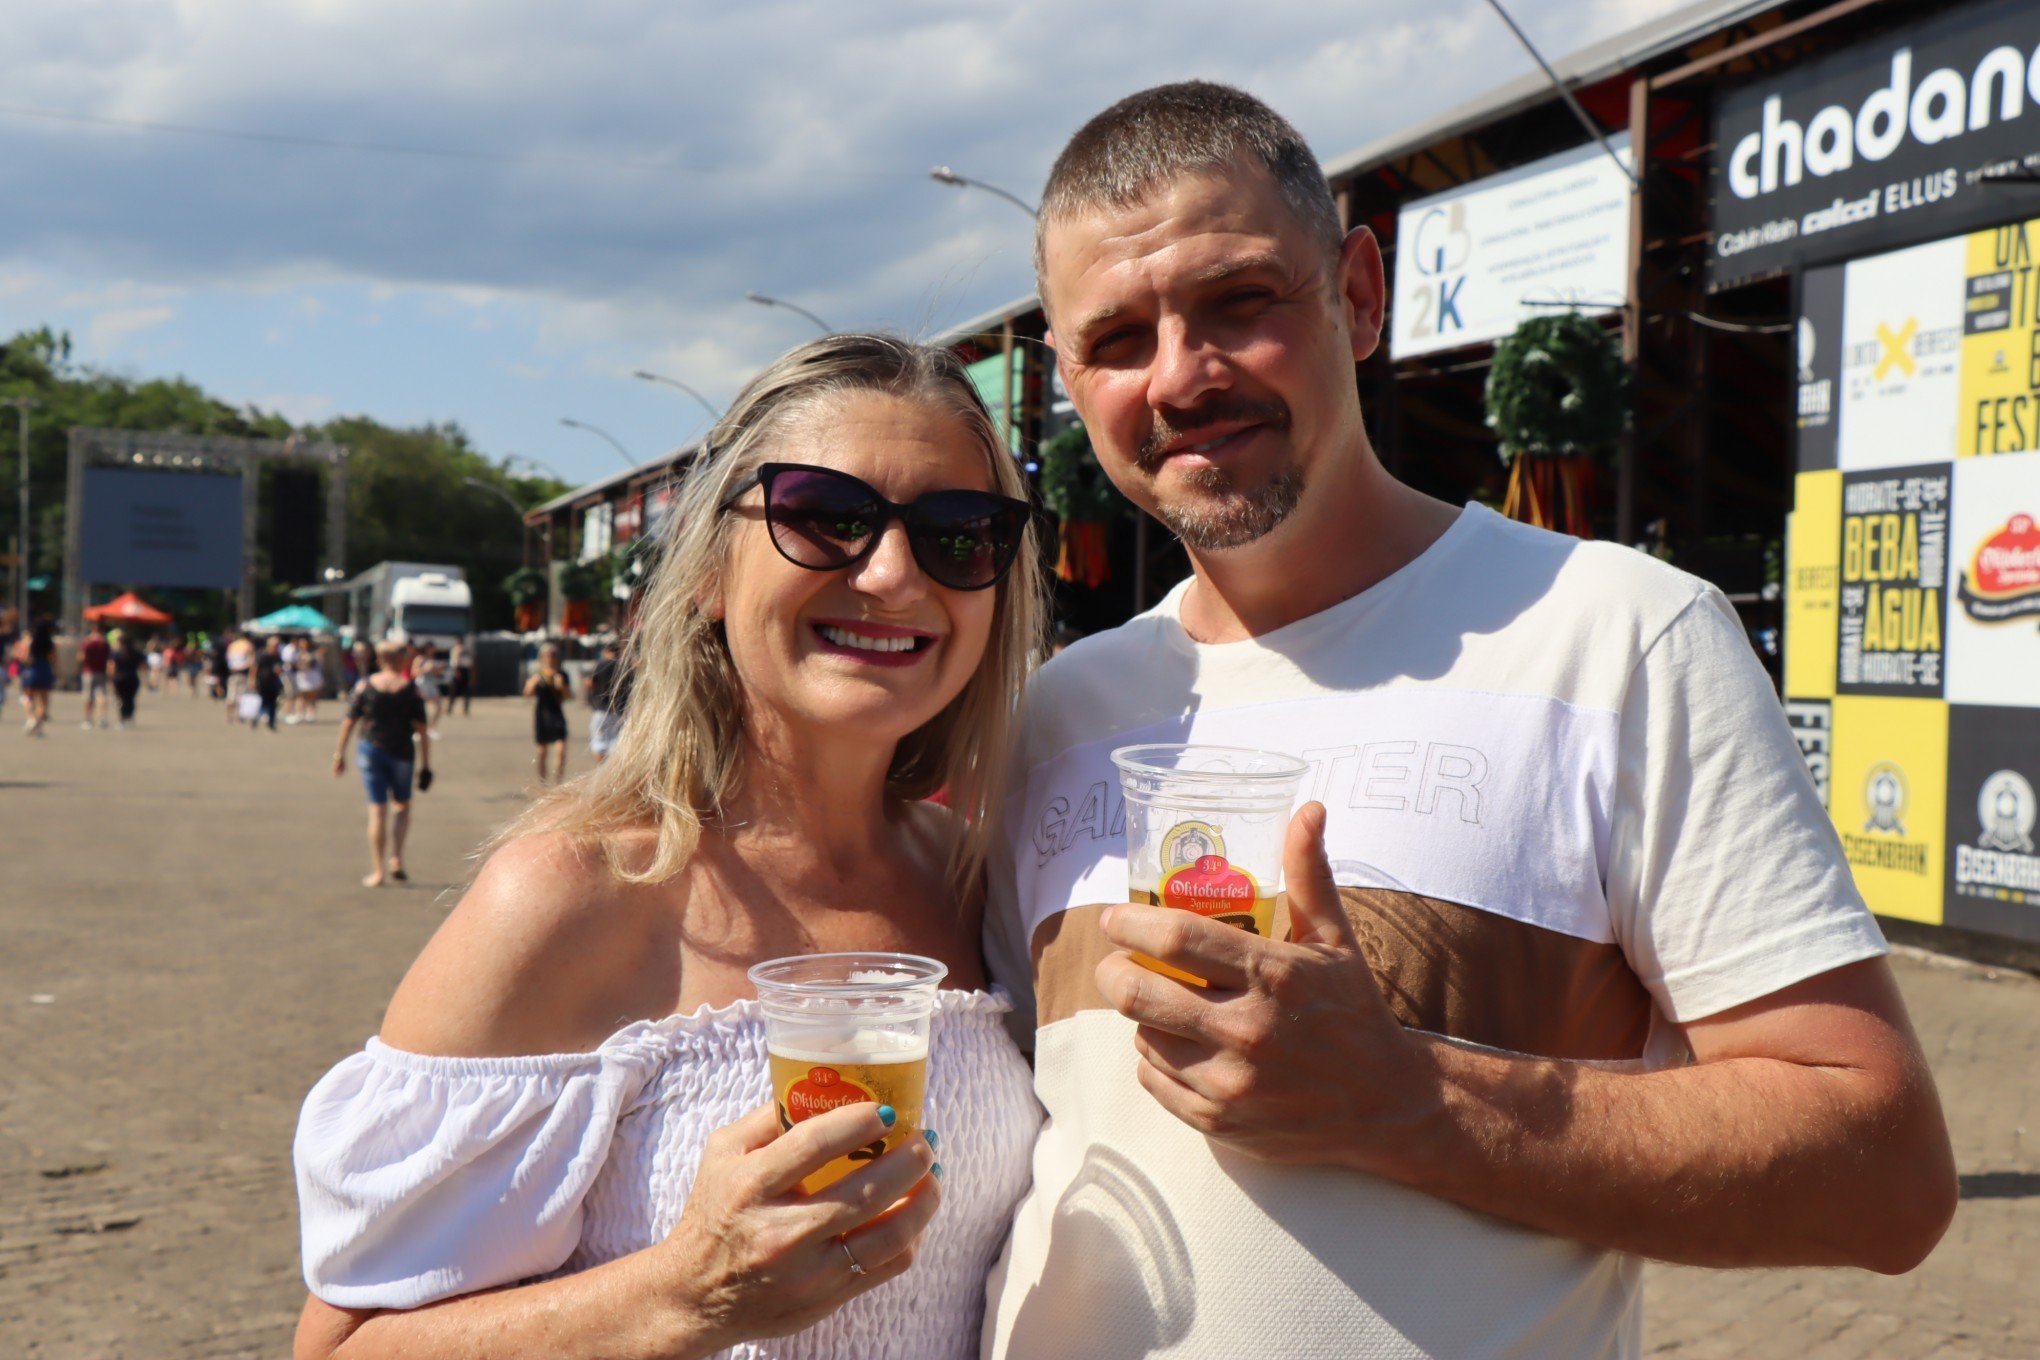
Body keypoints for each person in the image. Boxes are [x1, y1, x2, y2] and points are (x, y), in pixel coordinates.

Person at [979, 83, 1957, 1360]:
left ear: (1361, 295)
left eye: (1241, 300)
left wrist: (1407, 1099)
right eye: (1117, 338)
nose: (1181, 376)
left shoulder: (1618, 635)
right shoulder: (1054, 713)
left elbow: (1883, 1173)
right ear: (1065, 379)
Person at [291, 333, 1048, 1360]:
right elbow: (339, 1347)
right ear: (708, 575)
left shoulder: (976, 877)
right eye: (826, 518)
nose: (893, 573)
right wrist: (685, 1292)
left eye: (960, 533)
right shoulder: (571, 892)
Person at [331, 639, 431, 888]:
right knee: (402, 806)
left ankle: (378, 871)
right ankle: (396, 858)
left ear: (379, 659)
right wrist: (426, 764)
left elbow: (349, 721)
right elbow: (422, 729)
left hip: (371, 750)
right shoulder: (410, 689)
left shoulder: (365, 686)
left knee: (377, 810)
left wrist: (339, 754)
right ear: (402, 660)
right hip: (402, 752)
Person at [523, 642, 571, 784]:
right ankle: (542, 784)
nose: (550, 658)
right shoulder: (537, 675)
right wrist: (531, 685)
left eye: (553, 655)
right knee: (542, 752)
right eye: (547, 655)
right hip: (541, 714)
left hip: (556, 713)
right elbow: (526, 694)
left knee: (561, 749)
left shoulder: (562, 674)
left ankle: (558, 782)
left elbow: (568, 697)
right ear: (542, 657)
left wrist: (561, 686)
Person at [584, 639, 630, 764]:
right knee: (615, 742)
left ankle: (601, 770)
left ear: (606, 651)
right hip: (619, 710)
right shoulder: (625, 666)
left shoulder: (601, 664)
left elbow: (590, 683)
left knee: (599, 743)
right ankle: (610, 770)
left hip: (601, 709)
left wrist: (591, 699)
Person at [17, 619, 53, 736]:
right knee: (43, 701)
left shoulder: (31, 642)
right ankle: (39, 727)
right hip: (46, 670)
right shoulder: (49, 642)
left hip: (33, 671)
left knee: (28, 697)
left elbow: (25, 658)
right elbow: (53, 658)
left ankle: (31, 718)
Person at [109, 628, 143, 729]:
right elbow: (143, 665)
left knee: (121, 699)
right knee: (130, 698)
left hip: (119, 678)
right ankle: (130, 716)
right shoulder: (136, 652)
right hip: (133, 677)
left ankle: (122, 719)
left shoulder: (116, 653)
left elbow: (112, 667)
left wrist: (111, 678)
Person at [79, 623, 110, 729]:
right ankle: (102, 719)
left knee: (88, 696)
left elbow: (81, 657)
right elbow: (109, 657)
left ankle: (88, 720)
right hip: (101, 671)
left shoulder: (87, 642)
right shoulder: (104, 642)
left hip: (88, 671)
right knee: (102, 695)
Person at [252, 636, 285, 732]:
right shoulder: (262, 655)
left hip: (274, 682)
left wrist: (279, 671)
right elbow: (255, 668)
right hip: (262, 682)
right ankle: (255, 719)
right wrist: (252, 680)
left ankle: (271, 722)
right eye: (274, 645)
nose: (276, 647)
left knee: (273, 703)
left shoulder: (277, 656)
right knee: (261, 702)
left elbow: (280, 669)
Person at [446, 637, 473, 717]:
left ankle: (454, 708)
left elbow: (459, 661)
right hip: (462, 671)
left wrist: (457, 672)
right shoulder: (463, 649)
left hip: (461, 671)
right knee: (461, 692)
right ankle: (460, 709)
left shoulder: (460, 649)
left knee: (458, 691)